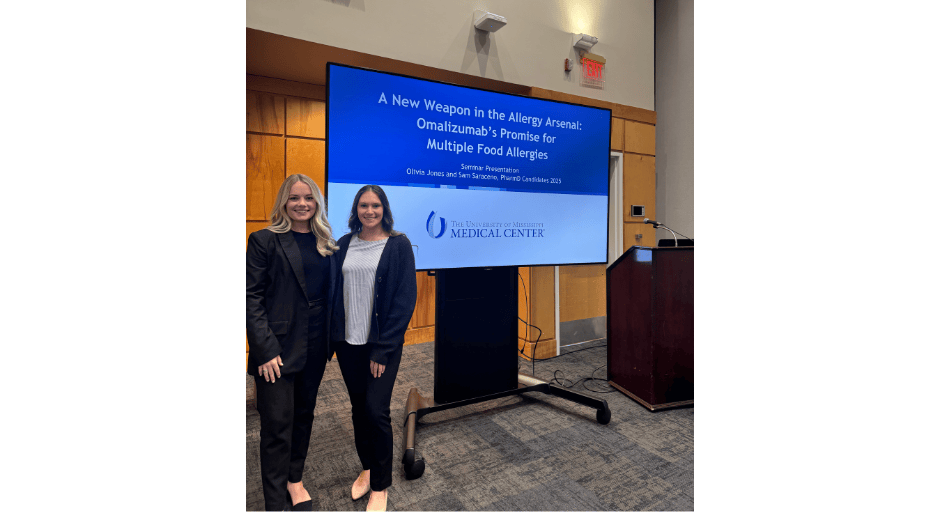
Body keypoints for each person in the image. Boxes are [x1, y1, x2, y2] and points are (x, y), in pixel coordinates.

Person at [246, 174, 338, 511]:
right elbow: (250, 298)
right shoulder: (264, 240)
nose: (302, 204)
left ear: (317, 203)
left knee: (304, 416)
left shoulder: (326, 243)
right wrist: (264, 351)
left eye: (309, 198)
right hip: (276, 351)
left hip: (315, 344)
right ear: (284, 202)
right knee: (276, 425)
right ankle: (274, 502)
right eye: (294, 198)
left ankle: (294, 480)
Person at [331, 185, 417, 512]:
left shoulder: (398, 245)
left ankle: (380, 485)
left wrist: (383, 349)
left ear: (384, 209)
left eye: (375, 205)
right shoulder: (343, 244)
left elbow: (404, 300)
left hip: (381, 345)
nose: (370, 211)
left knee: (376, 411)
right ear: (356, 210)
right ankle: (367, 468)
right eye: (364, 205)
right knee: (357, 408)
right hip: (348, 344)